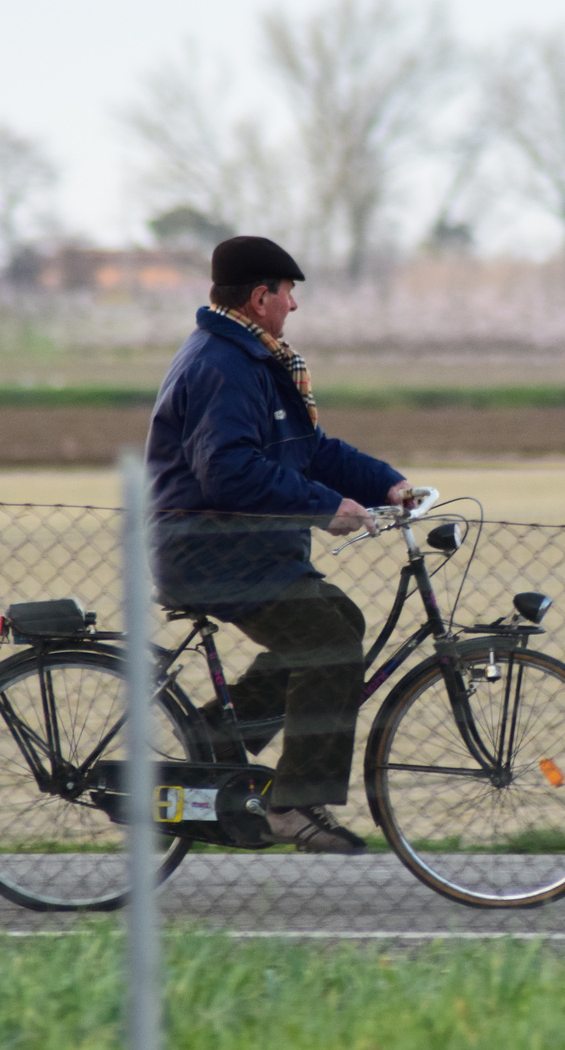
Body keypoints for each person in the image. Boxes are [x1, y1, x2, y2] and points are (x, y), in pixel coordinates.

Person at [145, 235, 411, 854]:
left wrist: (389, 484)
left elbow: (313, 451)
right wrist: (323, 507)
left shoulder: (253, 358)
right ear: (260, 296)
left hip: (247, 552)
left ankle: (210, 748)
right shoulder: (222, 365)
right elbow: (228, 471)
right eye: (288, 292)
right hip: (211, 554)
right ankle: (295, 806)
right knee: (328, 638)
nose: (294, 305)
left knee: (337, 621)